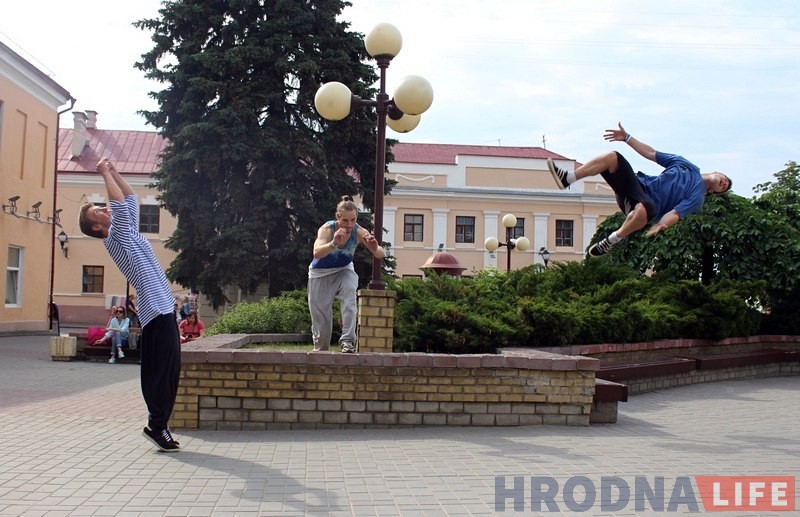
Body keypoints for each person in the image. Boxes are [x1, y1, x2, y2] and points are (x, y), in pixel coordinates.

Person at [78, 157, 181, 453]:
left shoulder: (130, 232)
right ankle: (156, 425)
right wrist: (103, 174)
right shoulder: (116, 237)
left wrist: (114, 171)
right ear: (97, 226)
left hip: (164, 308)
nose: (104, 208)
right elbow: (121, 204)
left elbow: (131, 197)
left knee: (170, 371)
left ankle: (160, 424)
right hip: (155, 312)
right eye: (98, 210)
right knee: (160, 372)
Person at [547, 122, 732, 257]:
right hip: (637, 187)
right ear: (717, 172)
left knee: (643, 207)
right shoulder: (686, 165)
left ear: (714, 192)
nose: (725, 183)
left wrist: (661, 225)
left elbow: (675, 213)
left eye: (725, 187)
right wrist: (627, 138)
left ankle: (611, 241)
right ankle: (568, 178)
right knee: (612, 157)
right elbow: (650, 154)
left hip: (648, 208)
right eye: (725, 179)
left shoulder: (697, 197)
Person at [308, 196, 386, 353]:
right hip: (319, 273)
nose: (349, 225)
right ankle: (321, 349)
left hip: (344, 269)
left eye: (353, 220)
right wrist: (334, 243)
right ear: (338, 217)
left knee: (350, 296)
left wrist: (374, 246)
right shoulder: (327, 229)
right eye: (345, 220)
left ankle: (348, 341)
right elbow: (316, 253)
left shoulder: (358, 231)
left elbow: (379, 254)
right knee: (321, 317)